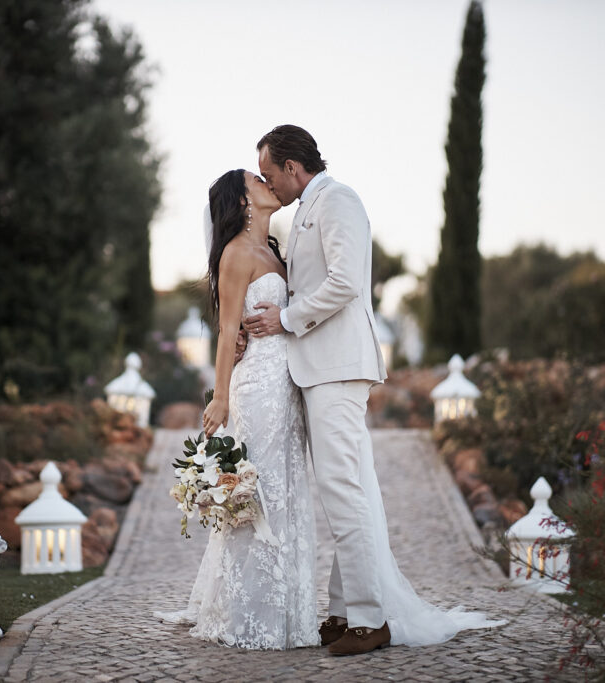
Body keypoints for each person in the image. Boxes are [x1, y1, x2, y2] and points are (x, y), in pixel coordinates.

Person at [244, 125, 503, 655]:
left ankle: (369, 620)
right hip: (321, 367)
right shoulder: (308, 209)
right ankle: (343, 613)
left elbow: (344, 285)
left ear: (293, 167)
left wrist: (287, 318)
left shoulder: (338, 201)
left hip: (337, 366)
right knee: (346, 486)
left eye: (271, 174)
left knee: (343, 490)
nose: (270, 184)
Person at [153, 169, 319, 649]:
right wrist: (220, 396)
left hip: (288, 385)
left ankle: (290, 610)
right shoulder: (235, 254)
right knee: (260, 489)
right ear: (243, 200)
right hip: (257, 388)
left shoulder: (274, 251)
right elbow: (228, 330)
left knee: (286, 489)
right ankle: (249, 611)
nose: (268, 182)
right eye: (257, 179)